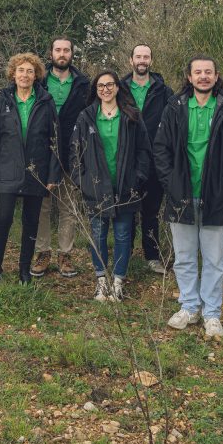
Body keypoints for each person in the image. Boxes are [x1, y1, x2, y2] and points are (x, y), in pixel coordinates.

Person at [153, 56, 223, 339]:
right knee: (184, 258)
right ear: (189, 77)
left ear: (217, 75)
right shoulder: (174, 107)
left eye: (208, 72)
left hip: (216, 196)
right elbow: (160, 150)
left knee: (213, 260)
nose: (203, 76)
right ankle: (189, 307)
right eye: (198, 72)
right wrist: (171, 183)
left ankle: (212, 314)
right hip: (181, 194)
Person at [71, 71, 151, 303]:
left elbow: (144, 151)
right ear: (95, 90)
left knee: (124, 235)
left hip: (126, 188)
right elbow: (74, 153)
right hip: (95, 189)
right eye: (100, 86)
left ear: (118, 87)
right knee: (98, 235)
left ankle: (117, 283)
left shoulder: (132, 116)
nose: (105, 89)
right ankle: (101, 283)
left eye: (110, 85)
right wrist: (81, 181)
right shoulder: (86, 117)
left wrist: (138, 178)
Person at [0, 53, 60, 287]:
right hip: (7, 170)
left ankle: (24, 271)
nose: (25, 75)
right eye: (20, 70)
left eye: (30, 71)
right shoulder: (3, 100)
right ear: (13, 74)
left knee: (30, 222)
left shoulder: (46, 101)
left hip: (36, 171)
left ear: (36, 75)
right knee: (3, 219)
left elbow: (55, 140)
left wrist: (53, 175)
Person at [33, 37, 90, 279]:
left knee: (68, 207)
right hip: (43, 151)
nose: (62, 54)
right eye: (58, 50)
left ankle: (65, 254)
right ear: (51, 53)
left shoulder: (83, 84)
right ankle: (42, 252)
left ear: (72, 54)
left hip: (71, 152)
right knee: (42, 206)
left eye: (66, 50)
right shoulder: (39, 81)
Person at [122, 44, 173, 274]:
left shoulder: (164, 91)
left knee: (151, 211)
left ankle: (152, 257)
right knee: (127, 209)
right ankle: (126, 254)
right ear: (131, 60)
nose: (142, 60)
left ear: (151, 60)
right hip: (126, 158)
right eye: (138, 56)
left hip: (155, 159)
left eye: (146, 57)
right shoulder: (120, 88)